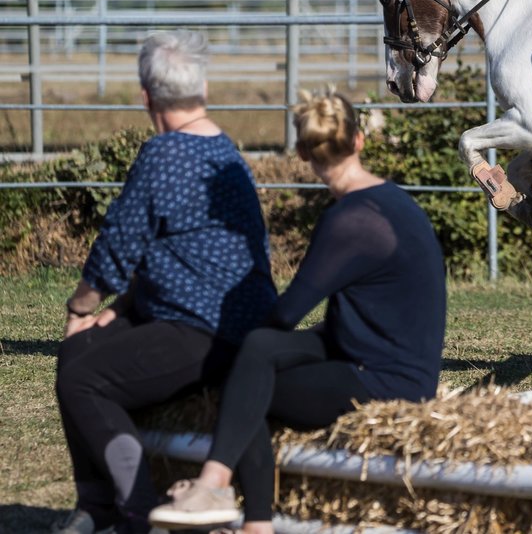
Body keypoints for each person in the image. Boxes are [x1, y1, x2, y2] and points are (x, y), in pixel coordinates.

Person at [148, 90, 447, 533]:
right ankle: (245, 511)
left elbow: (286, 313)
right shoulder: (390, 199)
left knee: (248, 378)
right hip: (372, 350)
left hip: (386, 380)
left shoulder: (349, 220)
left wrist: (224, 338)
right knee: (258, 351)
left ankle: (227, 494)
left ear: (303, 152)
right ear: (359, 141)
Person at [54, 29, 276, 534]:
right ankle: (95, 505)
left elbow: (118, 245)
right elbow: (178, 248)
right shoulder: (227, 152)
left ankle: (136, 512)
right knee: (75, 355)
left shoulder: (161, 155)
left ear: (147, 97)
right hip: (233, 322)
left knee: (81, 378)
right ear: (201, 91)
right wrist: (125, 307)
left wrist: (82, 307)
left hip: (202, 330)